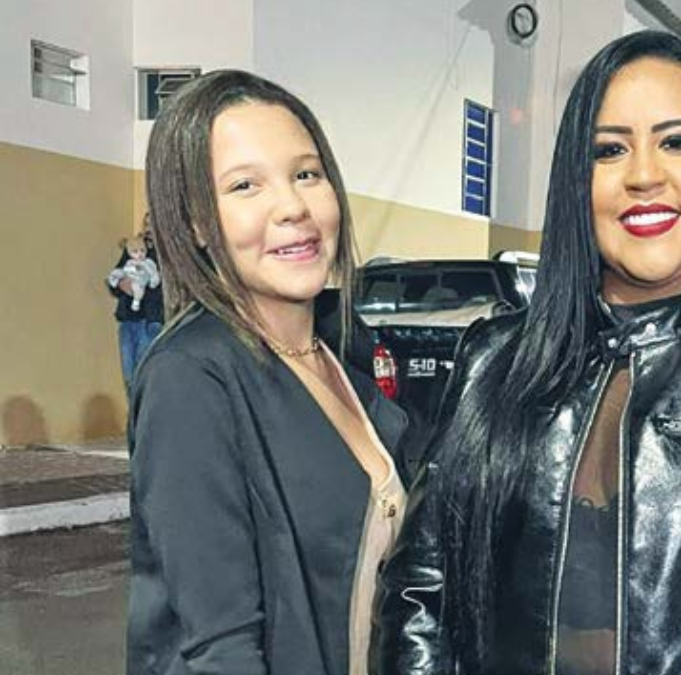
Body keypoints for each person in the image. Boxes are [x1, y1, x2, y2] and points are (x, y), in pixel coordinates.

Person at [373, 31, 681, 675]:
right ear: (577, 184)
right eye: (609, 150)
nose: (643, 175)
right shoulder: (494, 359)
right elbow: (421, 592)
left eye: (677, 142)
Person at [127, 70, 409, 675]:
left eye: (306, 174)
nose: (293, 207)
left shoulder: (344, 355)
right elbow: (221, 646)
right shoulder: (190, 380)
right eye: (245, 185)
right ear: (196, 222)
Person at [107, 224, 165, 391]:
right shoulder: (134, 247)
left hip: (151, 319)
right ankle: (134, 407)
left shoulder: (165, 250)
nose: (148, 228)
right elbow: (115, 279)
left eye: (152, 223)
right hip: (127, 318)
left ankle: (144, 406)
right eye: (146, 224)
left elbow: (163, 285)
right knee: (129, 376)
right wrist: (121, 283)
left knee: (144, 373)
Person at [107, 233, 160, 312]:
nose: (139, 254)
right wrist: (120, 284)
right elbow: (121, 270)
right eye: (135, 252)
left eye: (142, 251)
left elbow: (155, 279)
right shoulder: (137, 243)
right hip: (130, 312)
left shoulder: (149, 261)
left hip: (155, 309)